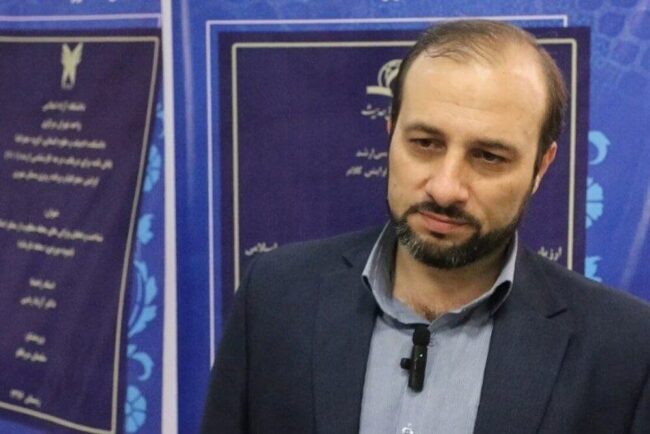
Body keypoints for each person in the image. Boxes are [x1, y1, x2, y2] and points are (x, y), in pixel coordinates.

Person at [202, 20, 650, 434]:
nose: (445, 188)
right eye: (425, 143)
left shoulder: (624, 348)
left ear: (541, 167)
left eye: (488, 156)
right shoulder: (276, 297)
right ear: (391, 132)